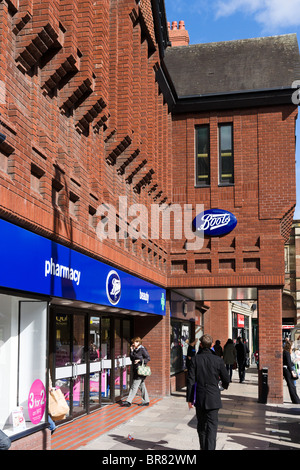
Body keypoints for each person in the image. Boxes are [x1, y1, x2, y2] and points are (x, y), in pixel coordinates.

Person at [187, 334, 230, 450]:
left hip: (200, 398)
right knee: (212, 427)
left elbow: (190, 380)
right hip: (213, 397)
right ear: (211, 345)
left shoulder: (195, 359)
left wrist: (190, 399)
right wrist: (223, 386)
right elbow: (226, 378)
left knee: (201, 426)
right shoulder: (217, 360)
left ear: (200, 345)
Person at [121, 336, 150, 407]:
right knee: (142, 386)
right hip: (136, 370)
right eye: (133, 343)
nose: (133, 344)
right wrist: (131, 351)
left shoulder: (142, 349)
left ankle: (128, 401)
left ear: (138, 342)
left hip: (140, 371)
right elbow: (132, 358)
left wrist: (140, 360)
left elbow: (148, 358)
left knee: (134, 386)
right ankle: (146, 401)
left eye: (134, 342)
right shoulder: (135, 349)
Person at [283, 340, 300, 404]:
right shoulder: (286, 353)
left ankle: (296, 399)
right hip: (287, 370)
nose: (293, 346)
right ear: (289, 345)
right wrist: (292, 372)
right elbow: (288, 363)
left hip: (287, 369)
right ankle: (295, 400)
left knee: (292, 385)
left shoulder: (286, 352)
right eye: (292, 345)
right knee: (291, 385)